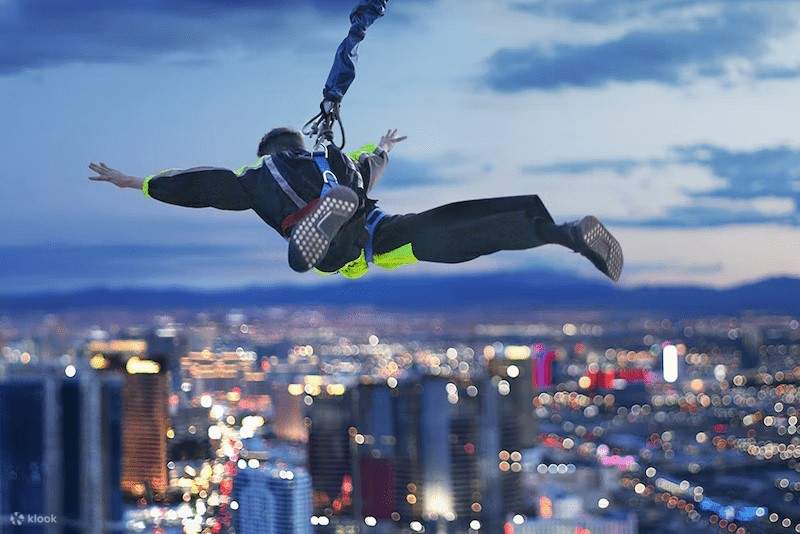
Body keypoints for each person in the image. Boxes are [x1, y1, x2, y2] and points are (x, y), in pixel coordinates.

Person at [88, 127, 624, 281]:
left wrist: (137, 182)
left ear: (263, 153)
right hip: (374, 227)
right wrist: (384, 147)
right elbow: (371, 164)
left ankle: (314, 234)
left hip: (334, 248)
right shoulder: (329, 161)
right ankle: (561, 232)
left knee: (305, 259)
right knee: (451, 231)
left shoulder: (250, 181)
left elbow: (198, 186)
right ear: (296, 145)